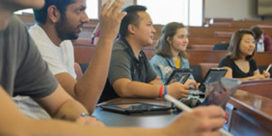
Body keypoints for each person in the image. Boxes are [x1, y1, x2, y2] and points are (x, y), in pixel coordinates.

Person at [0, 1, 226, 135]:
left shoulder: (15, 32)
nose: (86, 17)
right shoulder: (36, 39)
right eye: (79, 10)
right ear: (54, 13)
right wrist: (167, 132)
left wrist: (80, 119)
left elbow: (66, 105)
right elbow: (18, 130)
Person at [100, 5, 196, 102]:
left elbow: (155, 81)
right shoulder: (118, 50)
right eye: (149, 25)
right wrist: (165, 90)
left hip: (132, 108)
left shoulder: (140, 54)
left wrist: (150, 89)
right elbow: (124, 88)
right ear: (132, 29)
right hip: (112, 113)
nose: (154, 30)